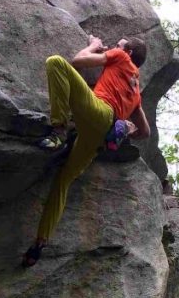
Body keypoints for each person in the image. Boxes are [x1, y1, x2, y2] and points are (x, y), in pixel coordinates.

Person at [22, 35, 151, 268]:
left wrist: (94, 46)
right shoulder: (136, 93)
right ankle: (39, 243)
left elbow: (78, 61)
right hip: (98, 137)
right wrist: (128, 128)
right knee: (63, 181)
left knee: (55, 62)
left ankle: (58, 130)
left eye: (118, 45)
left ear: (128, 52)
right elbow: (145, 132)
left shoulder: (121, 57)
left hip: (99, 111)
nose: (113, 47)